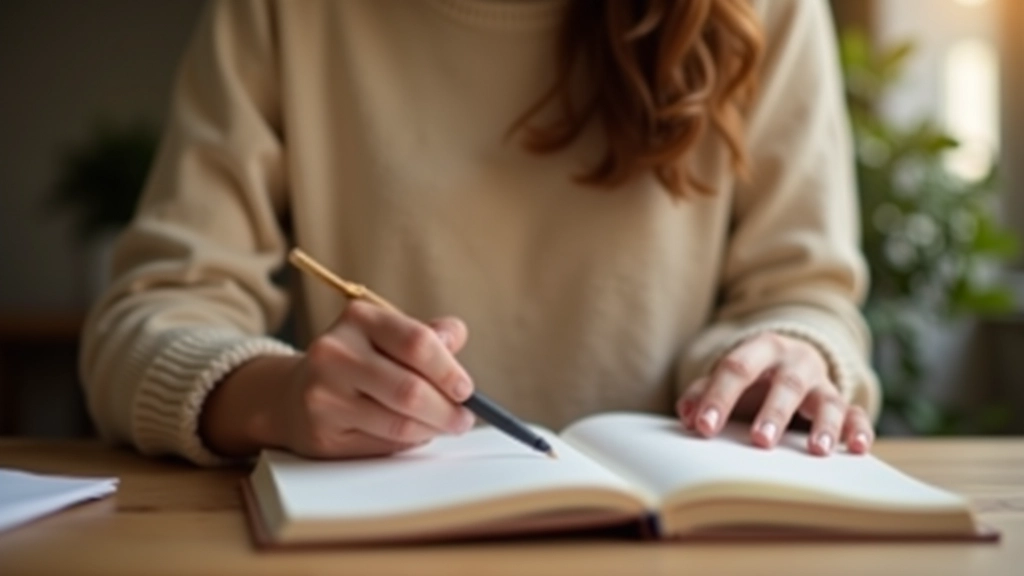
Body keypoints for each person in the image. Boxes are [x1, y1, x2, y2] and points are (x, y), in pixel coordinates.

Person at [81, 0, 880, 466]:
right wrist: (276, 399)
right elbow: (146, 321)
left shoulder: (763, 10)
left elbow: (804, 295)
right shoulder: (285, 14)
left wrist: (785, 354)